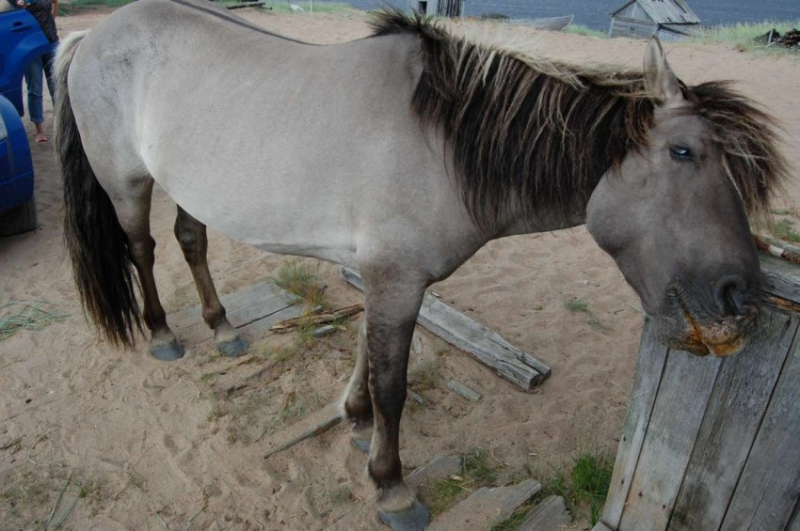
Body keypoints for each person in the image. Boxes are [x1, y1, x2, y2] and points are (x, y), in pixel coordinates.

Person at [16, 0, 58, 143]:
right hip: (31, 46)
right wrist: (21, 6)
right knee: (35, 88)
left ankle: (60, 124)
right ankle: (39, 131)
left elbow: (52, 8)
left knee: (56, 86)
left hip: (51, 41)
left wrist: (54, 12)